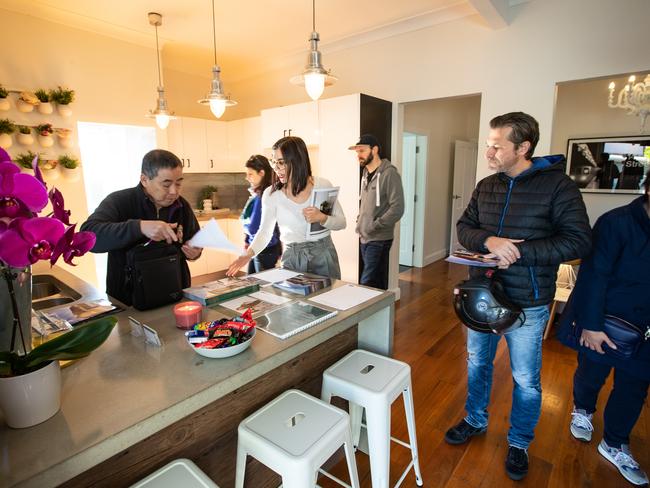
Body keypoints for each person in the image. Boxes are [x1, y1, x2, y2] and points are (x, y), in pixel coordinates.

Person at [446, 112, 592, 480]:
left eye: (497, 146)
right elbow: (465, 228)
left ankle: (519, 442)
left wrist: (518, 252)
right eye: (488, 144)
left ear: (523, 148)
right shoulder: (486, 186)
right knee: (477, 364)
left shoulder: (559, 188)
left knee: (526, 379)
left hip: (528, 303)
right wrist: (489, 241)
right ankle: (476, 420)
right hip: (481, 298)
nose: (489, 152)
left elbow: (578, 241)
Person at [557, 175, 650, 486]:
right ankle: (583, 409)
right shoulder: (616, 222)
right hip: (606, 322)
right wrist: (591, 325)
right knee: (591, 373)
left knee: (635, 387)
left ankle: (615, 442)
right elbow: (594, 276)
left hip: (646, 329)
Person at [81, 149, 201, 305]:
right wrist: (139, 227)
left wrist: (195, 253)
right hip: (127, 299)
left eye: (178, 183)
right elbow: (87, 236)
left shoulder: (182, 205)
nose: (174, 192)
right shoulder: (119, 201)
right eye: (166, 184)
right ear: (144, 179)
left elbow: (195, 240)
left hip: (175, 293)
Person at [227, 136, 345, 279]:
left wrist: (322, 218)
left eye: (281, 163)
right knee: (293, 301)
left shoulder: (322, 185)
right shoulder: (272, 195)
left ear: (297, 161)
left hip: (324, 254)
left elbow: (341, 223)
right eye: (274, 162)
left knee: (327, 300)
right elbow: (265, 232)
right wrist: (248, 255)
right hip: (292, 259)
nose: (276, 168)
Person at [349, 134, 404, 290]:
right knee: (376, 284)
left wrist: (375, 225)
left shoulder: (389, 174)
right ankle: (381, 313)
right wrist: (360, 222)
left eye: (362, 151)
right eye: (357, 152)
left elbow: (398, 208)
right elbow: (366, 204)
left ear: (375, 150)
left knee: (367, 283)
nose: (358, 155)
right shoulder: (366, 174)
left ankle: (371, 313)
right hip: (364, 237)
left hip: (379, 238)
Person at [241, 155, 282, 273]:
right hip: (257, 248)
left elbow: (253, 227)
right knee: (255, 284)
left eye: (250, 174)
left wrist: (247, 232)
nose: (247, 178)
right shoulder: (257, 194)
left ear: (262, 173)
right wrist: (247, 240)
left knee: (263, 287)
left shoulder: (265, 196)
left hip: (265, 250)